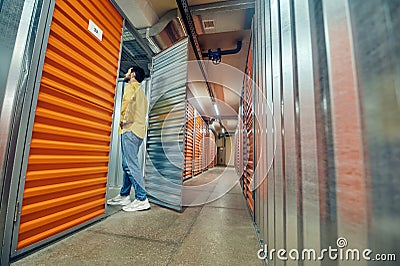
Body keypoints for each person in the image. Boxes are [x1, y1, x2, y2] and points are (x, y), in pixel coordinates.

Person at [107, 66, 150, 212]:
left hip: (129, 130)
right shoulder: (142, 94)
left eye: (128, 71)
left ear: (132, 75)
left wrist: (124, 121)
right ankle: (124, 195)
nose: (126, 74)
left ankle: (141, 198)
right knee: (127, 164)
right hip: (138, 132)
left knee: (131, 165)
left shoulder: (131, 87)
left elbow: (127, 104)